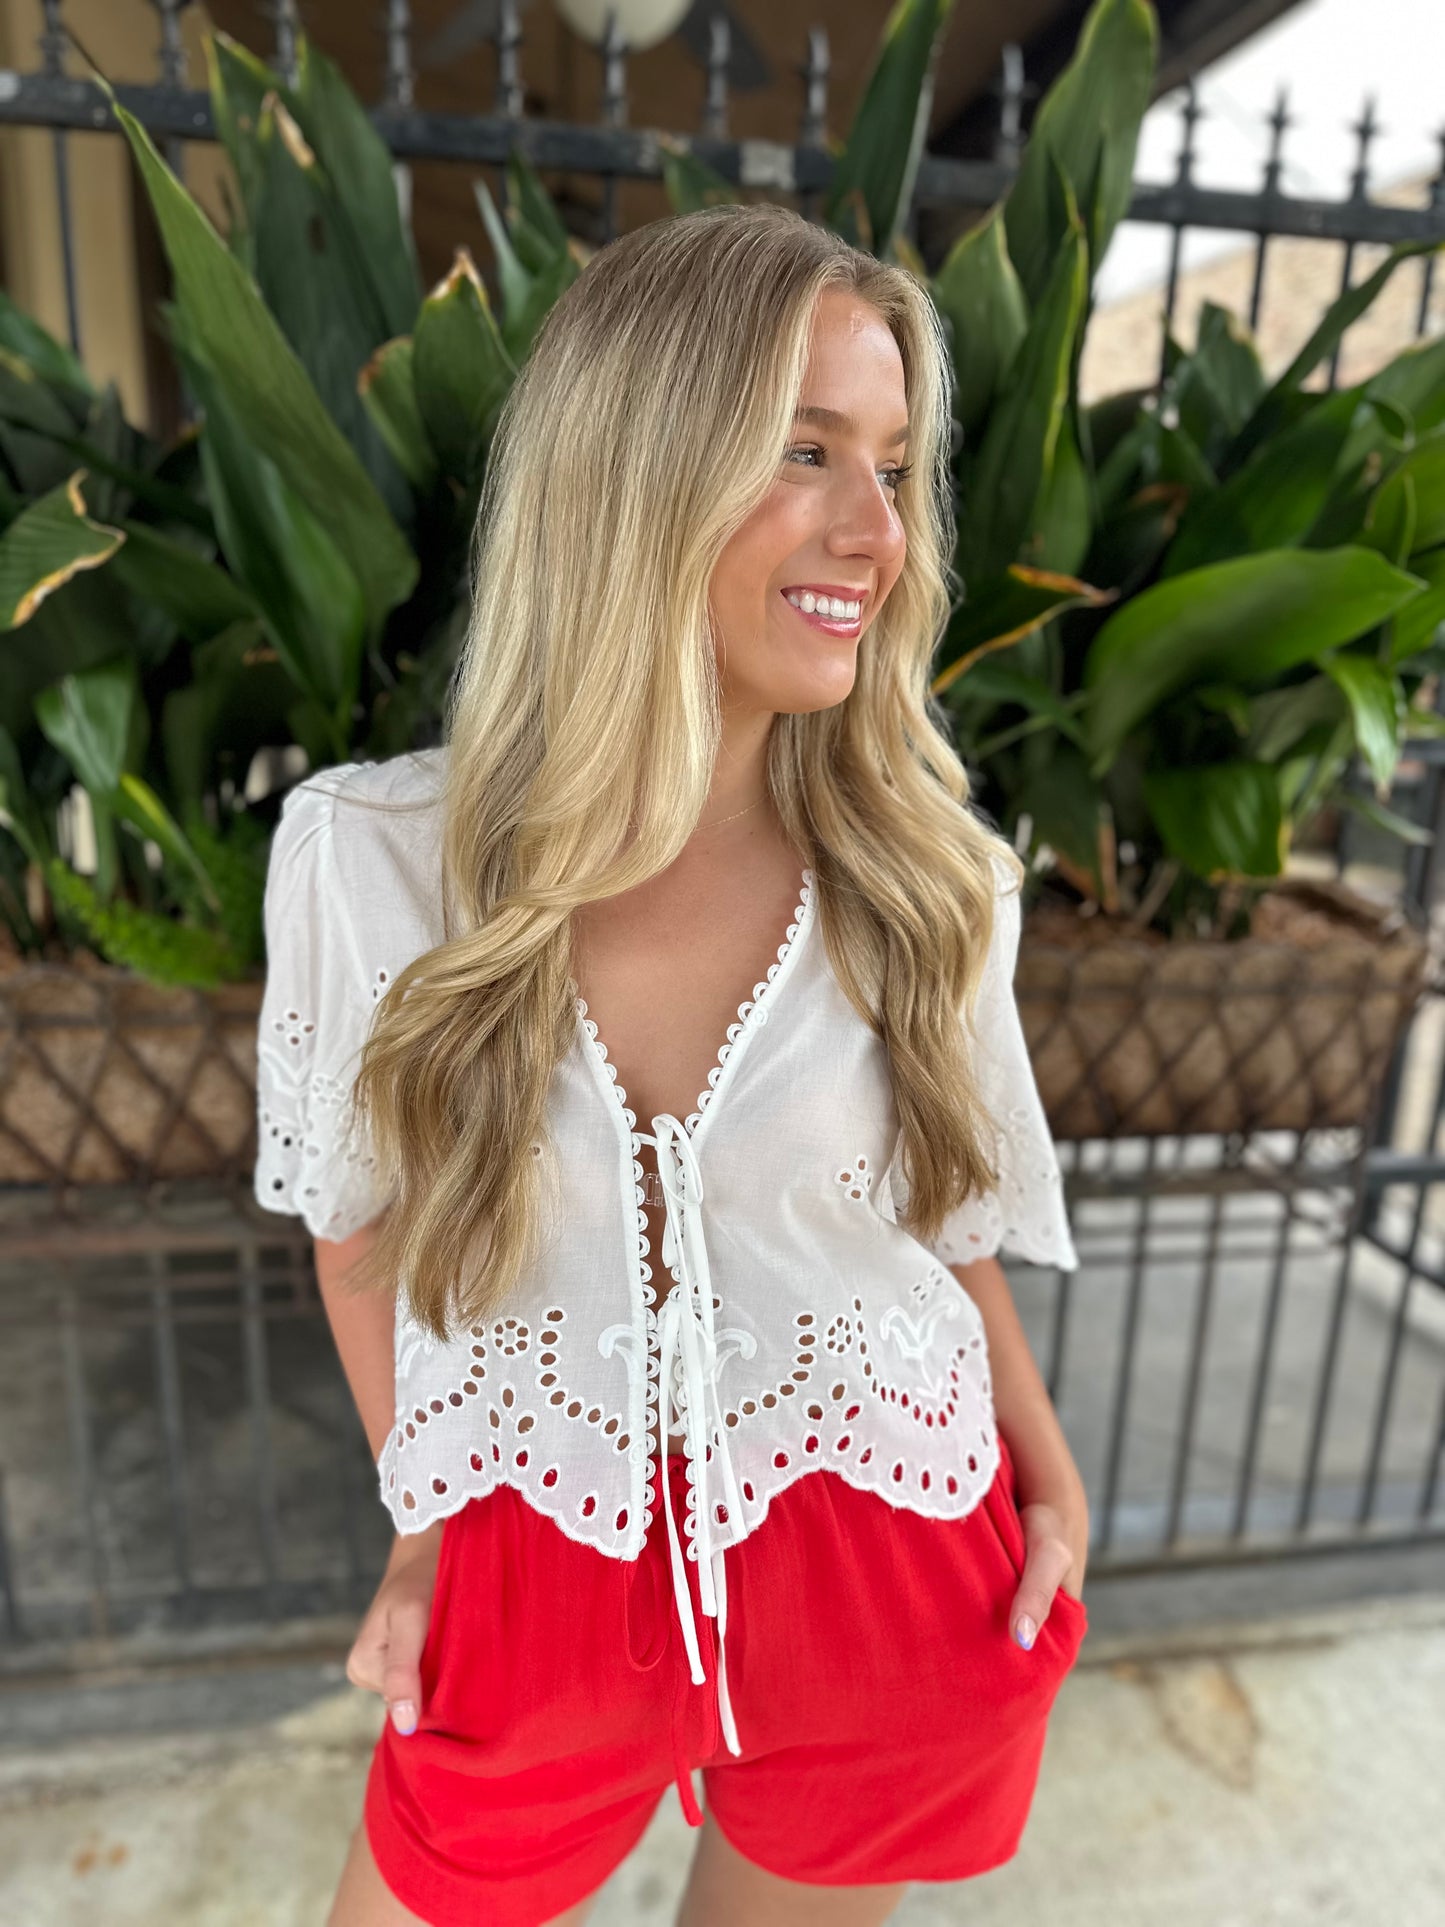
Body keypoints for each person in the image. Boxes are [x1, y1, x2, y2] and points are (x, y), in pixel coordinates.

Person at [254, 201, 1090, 1927]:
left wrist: (1045, 1470)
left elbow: (942, 1227)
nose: (874, 530)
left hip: (894, 1569)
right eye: (804, 450)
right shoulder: (371, 858)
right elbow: (360, 1236)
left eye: (893, 468)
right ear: (634, 471)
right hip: (530, 1583)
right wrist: (426, 1529)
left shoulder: (931, 876)